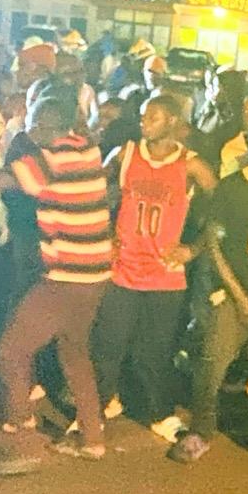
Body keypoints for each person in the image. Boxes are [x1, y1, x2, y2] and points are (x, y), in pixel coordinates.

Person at [0, 85, 113, 474]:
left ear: (51, 126)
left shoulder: (52, 157)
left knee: (9, 351)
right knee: (74, 352)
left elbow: (9, 180)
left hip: (66, 276)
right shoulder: (86, 149)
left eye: (36, 122)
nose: (30, 128)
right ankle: (92, 439)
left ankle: (23, 436)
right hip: (95, 274)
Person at [170, 120, 248, 464]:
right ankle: (201, 431)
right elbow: (214, 245)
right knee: (211, 365)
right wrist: (240, 296)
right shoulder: (231, 189)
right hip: (230, 293)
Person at [90, 94, 216, 443]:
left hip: (164, 273)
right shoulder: (126, 154)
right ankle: (97, 407)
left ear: (173, 122)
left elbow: (223, 212)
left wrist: (193, 249)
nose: (144, 122)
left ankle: (160, 413)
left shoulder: (192, 165)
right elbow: (94, 193)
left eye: (153, 117)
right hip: (124, 267)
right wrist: (105, 233)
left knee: (156, 350)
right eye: (144, 116)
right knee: (108, 343)